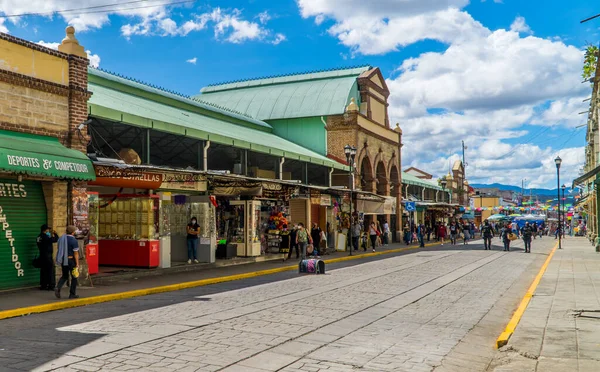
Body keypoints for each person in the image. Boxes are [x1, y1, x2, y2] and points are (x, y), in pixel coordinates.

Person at [55, 226, 80, 299]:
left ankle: (58, 287)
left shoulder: (61, 239)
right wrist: (77, 264)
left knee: (65, 275)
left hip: (63, 260)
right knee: (74, 277)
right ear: (73, 232)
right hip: (71, 260)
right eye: (75, 231)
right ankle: (72, 294)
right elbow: (76, 253)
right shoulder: (73, 240)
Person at [37, 224, 58, 291]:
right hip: (47, 256)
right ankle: (51, 285)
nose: (49, 230)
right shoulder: (46, 237)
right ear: (45, 230)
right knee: (50, 270)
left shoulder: (39, 237)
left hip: (42, 255)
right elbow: (55, 239)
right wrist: (55, 234)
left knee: (43, 271)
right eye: (48, 229)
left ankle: (43, 285)